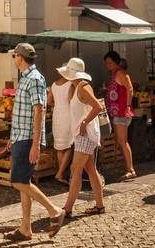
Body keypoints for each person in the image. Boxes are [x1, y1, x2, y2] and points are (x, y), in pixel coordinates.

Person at [3, 43, 66, 241]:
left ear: (20, 57)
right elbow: (25, 113)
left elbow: (39, 112)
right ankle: (25, 228)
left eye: (14, 56)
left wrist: (35, 144)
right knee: (25, 182)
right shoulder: (25, 78)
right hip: (21, 137)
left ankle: (54, 210)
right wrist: (13, 138)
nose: (13, 59)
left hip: (28, 138)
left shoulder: (35, 79)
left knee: (17, 181)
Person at [59, 58, 106, 217]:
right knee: (90, 169)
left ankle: (68, 208)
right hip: (83, 134)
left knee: (75, 170)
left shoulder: (82, 87)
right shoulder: (76, 86)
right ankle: (99, 206)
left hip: (85, 134)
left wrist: (85, 122)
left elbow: (98, 106)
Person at [105, 50, 137, 179]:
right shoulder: (115, 73)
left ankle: (130, 169)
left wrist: (127, 107)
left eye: (110, 63)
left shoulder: (120, 73)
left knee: (122, 141)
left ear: (116, 62)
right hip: (117, 111)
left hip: (121, 111)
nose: (108, 65)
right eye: (106, 63)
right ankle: (128, 167)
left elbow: (130, 88)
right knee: (121, 140)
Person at [47, 63, 73, 184]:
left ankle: (61, 173)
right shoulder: (70, 84)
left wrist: (57, 104)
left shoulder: (54, 84)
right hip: (68, 115)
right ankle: (60, 173)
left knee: (59, 147)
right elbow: (71, 100)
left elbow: (49, 101)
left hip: (57, 115)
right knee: (68, 146)